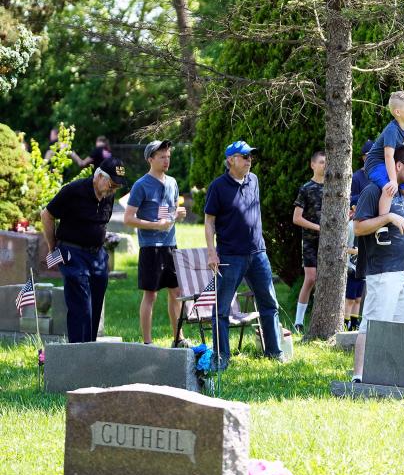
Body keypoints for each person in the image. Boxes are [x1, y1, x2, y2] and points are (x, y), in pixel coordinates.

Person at [204, 141, 283, 369]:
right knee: (221, 309)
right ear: (230, 160)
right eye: (244, 156)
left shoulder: (254, 180)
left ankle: (274, 354)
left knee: (269, 304)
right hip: (230, 256)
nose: (249, 160)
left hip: (258, 254)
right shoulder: (218, 186)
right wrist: (212, 252)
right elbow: (209, 221)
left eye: (251, 156)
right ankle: (222, 358)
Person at [351, 147, 404, 382]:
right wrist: (388, 217)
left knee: (397, 327)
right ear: (398, 166)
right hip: (383, 270)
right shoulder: (373, 190)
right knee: (373, 324)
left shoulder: (400, 194)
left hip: (402, 270)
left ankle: (389, 375)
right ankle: (359, 376)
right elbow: (359, 227)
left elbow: (402, 230)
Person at [40, 158, 128, 343]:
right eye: (111, 184)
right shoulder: (73, 191)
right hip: (72, 252)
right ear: (98, 176)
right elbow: (47, 215)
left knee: (95, 306)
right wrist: (52, 247)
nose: (112, 190)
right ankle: (78, 354)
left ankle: (89, 349)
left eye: (117, 187)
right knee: (81, 307)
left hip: (97, 256)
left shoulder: (109, 196)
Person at [123, 141, 189, 346]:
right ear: (150, 159)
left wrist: (177, 215)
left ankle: (178, 338)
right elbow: (128, 218)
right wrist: (156, 226)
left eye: (168, 156)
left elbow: (166, 213)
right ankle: (147, 343)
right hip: (151, 248)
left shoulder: (173, 183)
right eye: (161, 156)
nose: (166, 160)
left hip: (171, 245)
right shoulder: (141, 185)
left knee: (177, 293)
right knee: (150, 295)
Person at [292, 150, 326, 334]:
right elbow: (297, 218)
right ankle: (298, 322)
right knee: (311, 279)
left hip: (330, 244)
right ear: (313, 165)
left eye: (327, 162)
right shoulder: (306, 188)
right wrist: (318, 228)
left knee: (327, 280)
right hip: (311, 242)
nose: (325, 165)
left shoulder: (334, 188)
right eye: (321, 162)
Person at [364, 91, 404, 201]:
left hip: (392, 166)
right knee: (390, 188)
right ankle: (385, 217)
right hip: (376, 165)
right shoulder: (392, 130)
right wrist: (393, 180)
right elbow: (388, 156)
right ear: (398, 112)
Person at [350, 140, 374, 207]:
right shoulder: (356, 178)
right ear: (364, 158)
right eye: (371, 154)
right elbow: (351, 201)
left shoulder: (382, 175)